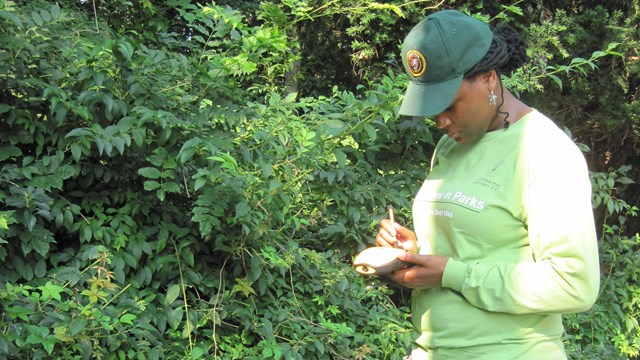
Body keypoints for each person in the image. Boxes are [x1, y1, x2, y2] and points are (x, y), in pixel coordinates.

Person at [375, 10, 600, 360]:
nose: (440, 121)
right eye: (431, 110)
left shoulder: (545, 153)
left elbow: (574, 284)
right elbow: (474, 246)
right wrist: (414, 250)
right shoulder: (452, 145)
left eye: (448, 105)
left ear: (489, 79)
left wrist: (451, 274)